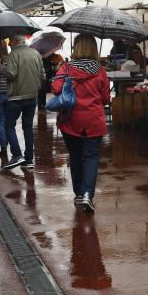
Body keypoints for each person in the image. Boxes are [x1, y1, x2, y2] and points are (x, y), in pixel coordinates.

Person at [51, 34, 110, 214]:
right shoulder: (100, 71)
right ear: (93, 48)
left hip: (71, 120)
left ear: (76, 48)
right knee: (91, 157)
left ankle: (78, 193)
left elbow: (55, 89)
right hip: (94, 120)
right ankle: (87, 195)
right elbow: (106, 99)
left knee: (75, 156)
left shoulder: (66, 68)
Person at [2, 34, 45, 171]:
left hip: (16, 96)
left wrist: (2, 68)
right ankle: (29, 159)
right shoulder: (36, 53)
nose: (8, 44)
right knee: (28, 127)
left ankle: (17, 155)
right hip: (32, 96)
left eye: (9, 41)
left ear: (15, 40)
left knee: (9, 125)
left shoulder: (14, 54)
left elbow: (11, 74)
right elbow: (43, 76)